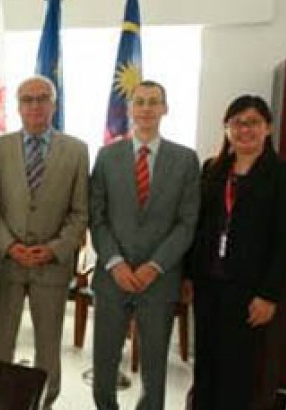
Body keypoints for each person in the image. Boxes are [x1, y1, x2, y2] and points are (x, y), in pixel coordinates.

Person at [89, 80, 200, 410]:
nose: (147, 109)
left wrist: (155, 266)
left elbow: (187, 222)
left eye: (154, 102)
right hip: (113, 277)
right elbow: (98, 217)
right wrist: (115, 262)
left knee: (155, 365)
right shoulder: (107, 156)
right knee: (104, 361)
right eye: (140, 102)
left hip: (160, 280)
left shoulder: (185, 159)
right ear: (130, 109)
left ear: (165, 108)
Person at [188, 95, 286, 410]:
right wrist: (187, 276)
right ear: (227, 129)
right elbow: (199, 228)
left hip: (250, 291)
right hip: (209, 284)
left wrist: (269, 294)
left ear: (268, 128)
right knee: (206, 365)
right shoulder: (213, 169)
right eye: (236, 122)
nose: (244, 129)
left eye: (252, 122)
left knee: (238, 371)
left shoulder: (284, 176)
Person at [0, 75, 89, 408]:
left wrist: (55, 248)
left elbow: (80, 212)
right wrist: (9, 245)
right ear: (17, 106)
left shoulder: (76, 150)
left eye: (42, 98)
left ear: (54, 104)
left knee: (48, 345)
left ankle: (44, 402)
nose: (35, 105)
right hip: (8, 262)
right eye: (27, 99)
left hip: (52, 267)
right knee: (1, 343)